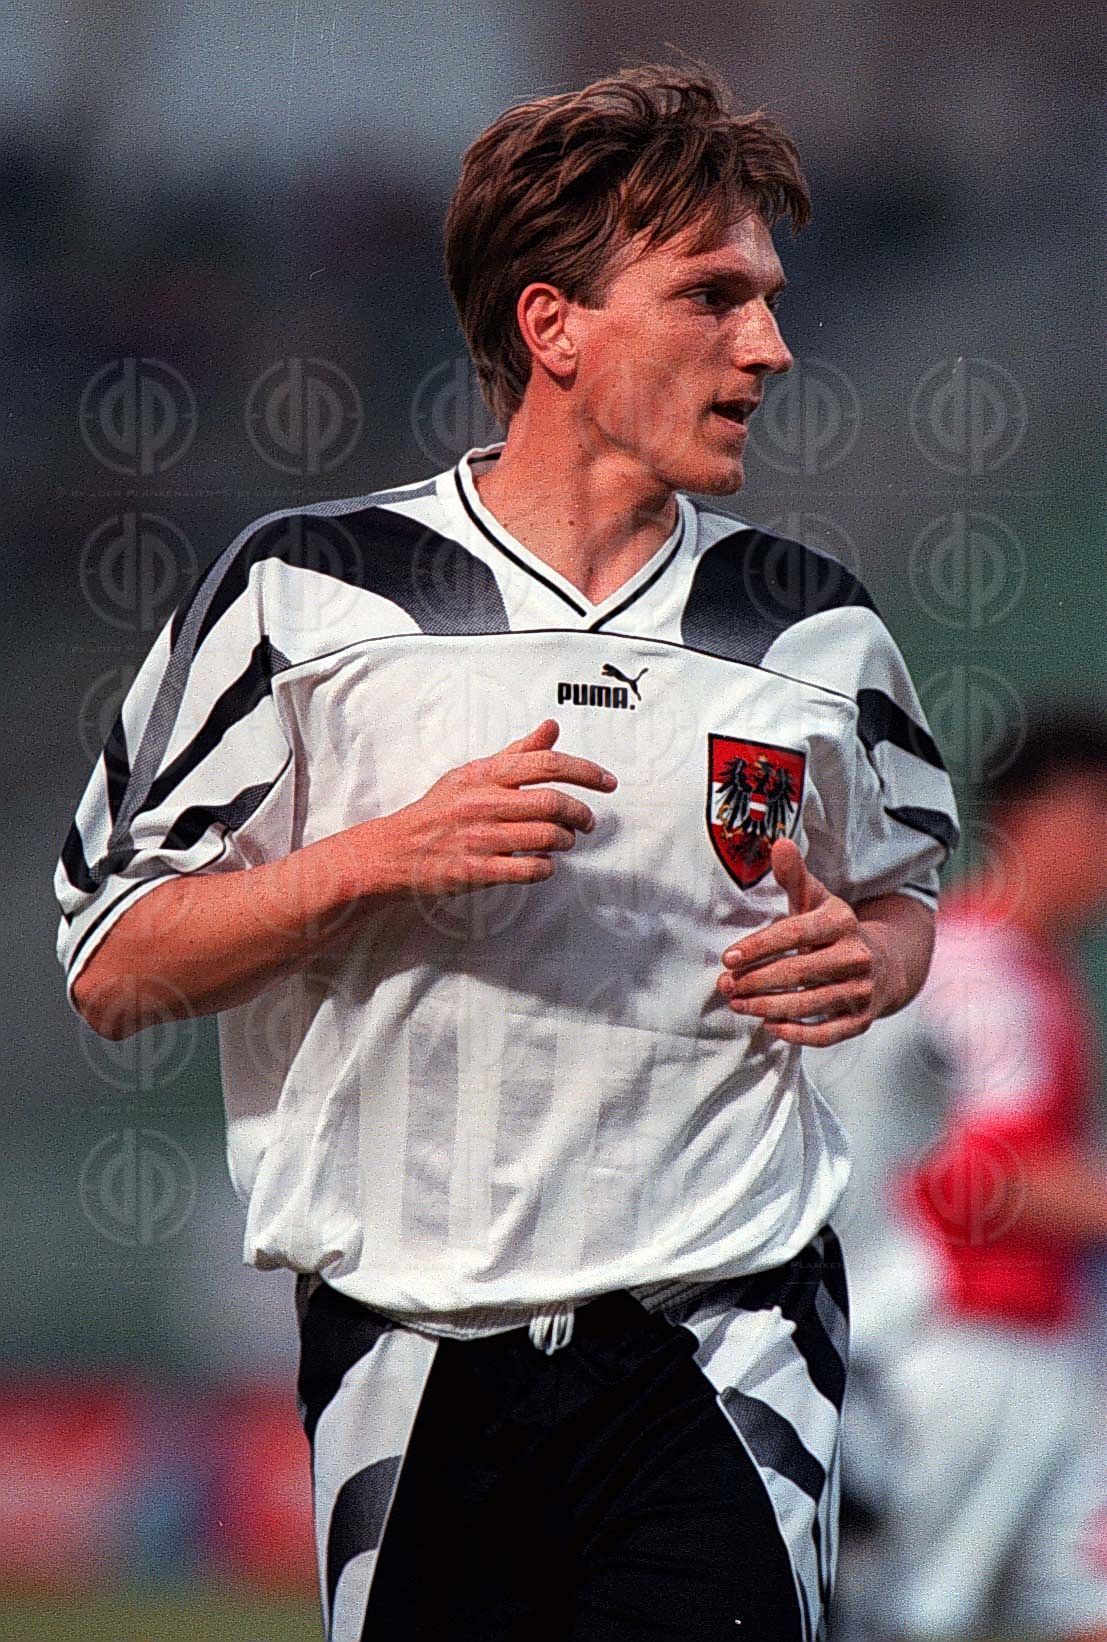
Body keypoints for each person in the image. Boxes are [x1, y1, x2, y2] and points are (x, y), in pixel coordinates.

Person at [55, 65, 958, 1641]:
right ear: (554, 326)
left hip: (724, 1336)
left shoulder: (814, 628)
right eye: (712, 295)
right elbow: (110, 963)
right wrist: (371, 860)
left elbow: (900, 898)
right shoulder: (308, 595)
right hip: (411, 1359)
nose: (767, 344)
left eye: (765, 299)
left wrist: (869, 960)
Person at [822, 709, 1107, 1642]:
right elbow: (983, 1182)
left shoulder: (1029, 965)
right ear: (1048, 816)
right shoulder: (978, 968)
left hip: (1047, 1350)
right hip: (955, 1351)